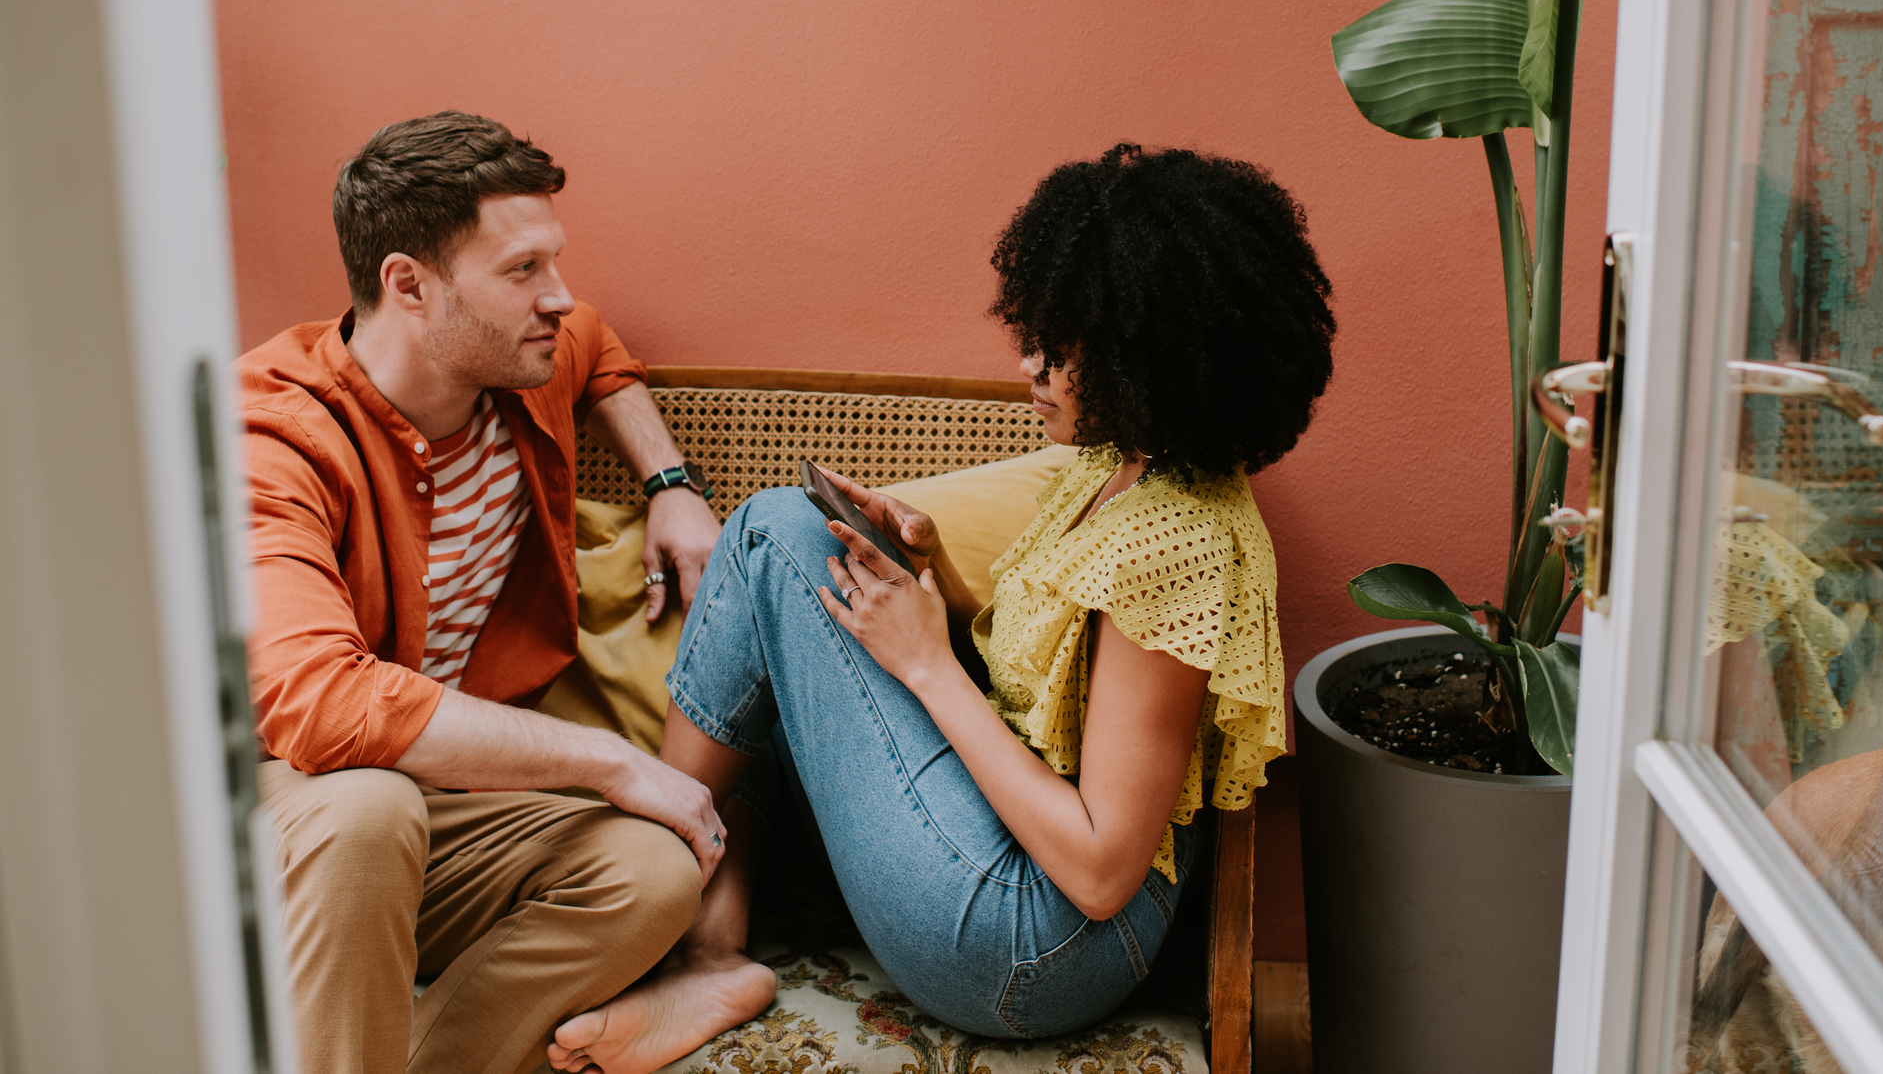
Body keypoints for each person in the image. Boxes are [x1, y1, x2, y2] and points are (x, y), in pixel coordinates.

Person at [548, 144, 1337, 1073]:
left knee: (768, 535)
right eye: (1037, 331)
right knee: (783, 607)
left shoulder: (1175, 541)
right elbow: (1045, 681)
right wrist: (929, 577)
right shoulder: (1117, 465)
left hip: (1037, 947)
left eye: (1063, 347)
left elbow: (1098, 870)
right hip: (1019, 881)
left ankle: (636, 912)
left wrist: (925, 661)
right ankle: (708, 958)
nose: (1030, 363)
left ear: (1148, 357)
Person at [241, 112, 728, 1074]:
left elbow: (600, 348)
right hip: (285, 807)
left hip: (441, 806)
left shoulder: (518, 360)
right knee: (369, 808)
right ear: (408, 285)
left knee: (654, 871)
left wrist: (670, 483)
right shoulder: (271, 435)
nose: (559, 296)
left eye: (554, 261)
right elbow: (323, 705)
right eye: (522, 270)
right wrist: (610, 759)